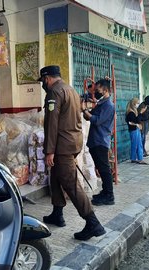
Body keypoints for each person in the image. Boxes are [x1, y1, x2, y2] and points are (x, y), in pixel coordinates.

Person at [39, 65, 105, 241]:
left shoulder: (54, 92)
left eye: (43, 81)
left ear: (47, 78)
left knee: (71, 183)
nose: (43, 85)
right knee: (56, 176)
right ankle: (57, 213)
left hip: (62, 146)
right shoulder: (71, 90)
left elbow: (52, 124)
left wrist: (49, 151)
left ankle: (93, 223)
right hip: (73, 141)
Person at [81, 79, 115, 206]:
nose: (95, 92)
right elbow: (89, 116)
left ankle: (109, 195)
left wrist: (85, 111)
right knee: (101, 168)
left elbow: (96, 120)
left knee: (104, 169)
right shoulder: (101, 103)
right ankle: (105, 192)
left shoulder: (108, 106)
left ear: (105, 90)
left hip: (101, 141)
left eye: (98, 90)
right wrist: (85, 110)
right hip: (95, 140)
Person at [126, 97, 148, 165]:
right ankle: (138, 159)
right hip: (134, 130)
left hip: (135, 129)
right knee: (137, 144)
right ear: (134, 103)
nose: (138, 104)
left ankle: (136, 158)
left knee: (137, 144)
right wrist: (140, 113)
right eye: (137, 103)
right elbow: (136, 120)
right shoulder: (131, 112)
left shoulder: (132, 111)